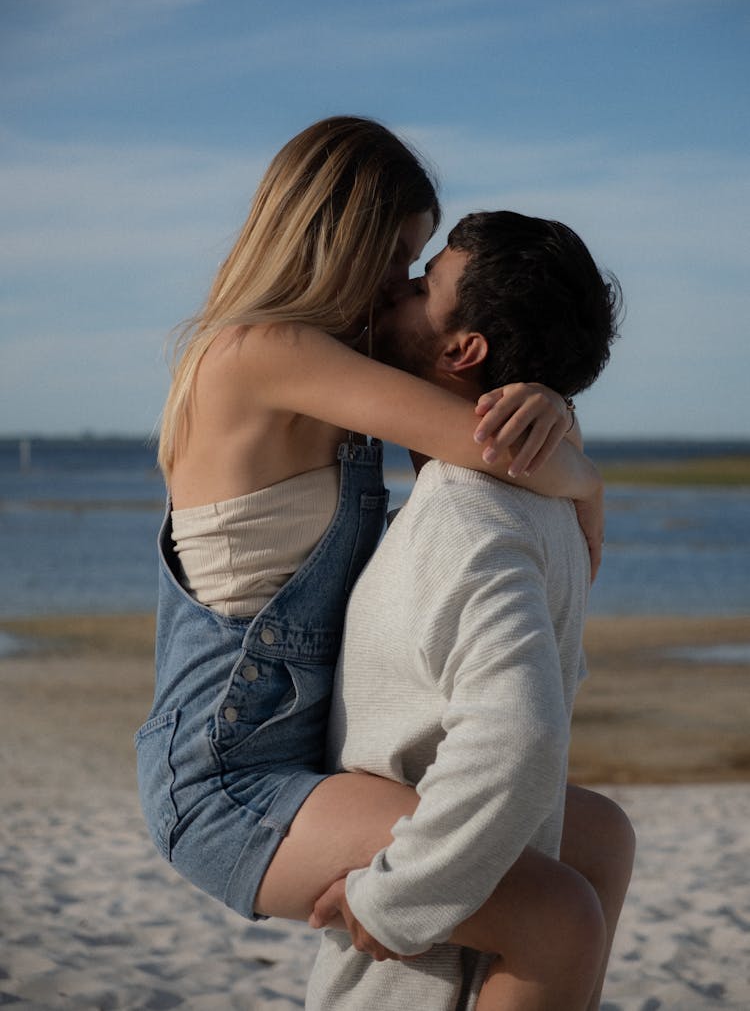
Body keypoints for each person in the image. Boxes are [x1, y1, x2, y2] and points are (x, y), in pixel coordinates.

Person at [135, 118, 607, 996]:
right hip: (227, 777)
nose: (401, 286)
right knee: (553, 914)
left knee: (600, 838)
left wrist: (538, 392)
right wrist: (585, 477)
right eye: (397, 257)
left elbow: (470, 411)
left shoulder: (332, 359)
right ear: (335, 239)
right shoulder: (257, 355)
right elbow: (488, 446)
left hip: (302, 754)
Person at [306, 212, 632, 1011]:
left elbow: (521, 734)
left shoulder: (464, 518)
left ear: (463, 350)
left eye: (421, 288)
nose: (395, 292)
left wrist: (394, 899)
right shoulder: (543, 507)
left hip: (428, 974)